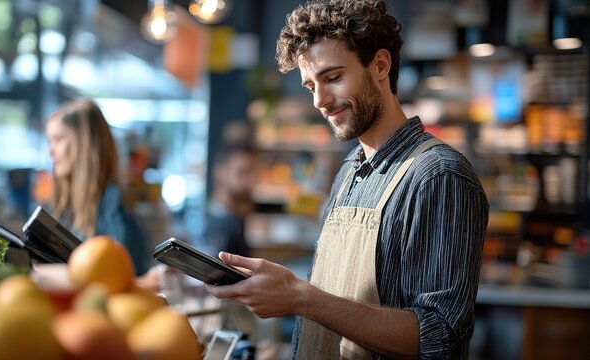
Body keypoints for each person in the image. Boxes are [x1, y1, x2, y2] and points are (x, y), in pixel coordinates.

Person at [205, 1, 489, 359]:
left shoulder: (438, 177)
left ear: (380, 65)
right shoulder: (348, 171)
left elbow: (439, 338)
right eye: (310, 86)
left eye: (333, 77)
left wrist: (300, 296)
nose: (320, 101)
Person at [45, 98, 148, 276]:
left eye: (58, 139)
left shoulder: (117, 221)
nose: (50, 150)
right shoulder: (58, 211)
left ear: (84, 144)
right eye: (50, 141)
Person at [203, 144, 256, 258]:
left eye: (252, 173)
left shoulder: (236, 219)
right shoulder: (215, 223)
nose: (250, 181)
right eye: (242, 172)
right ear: (219, 172)